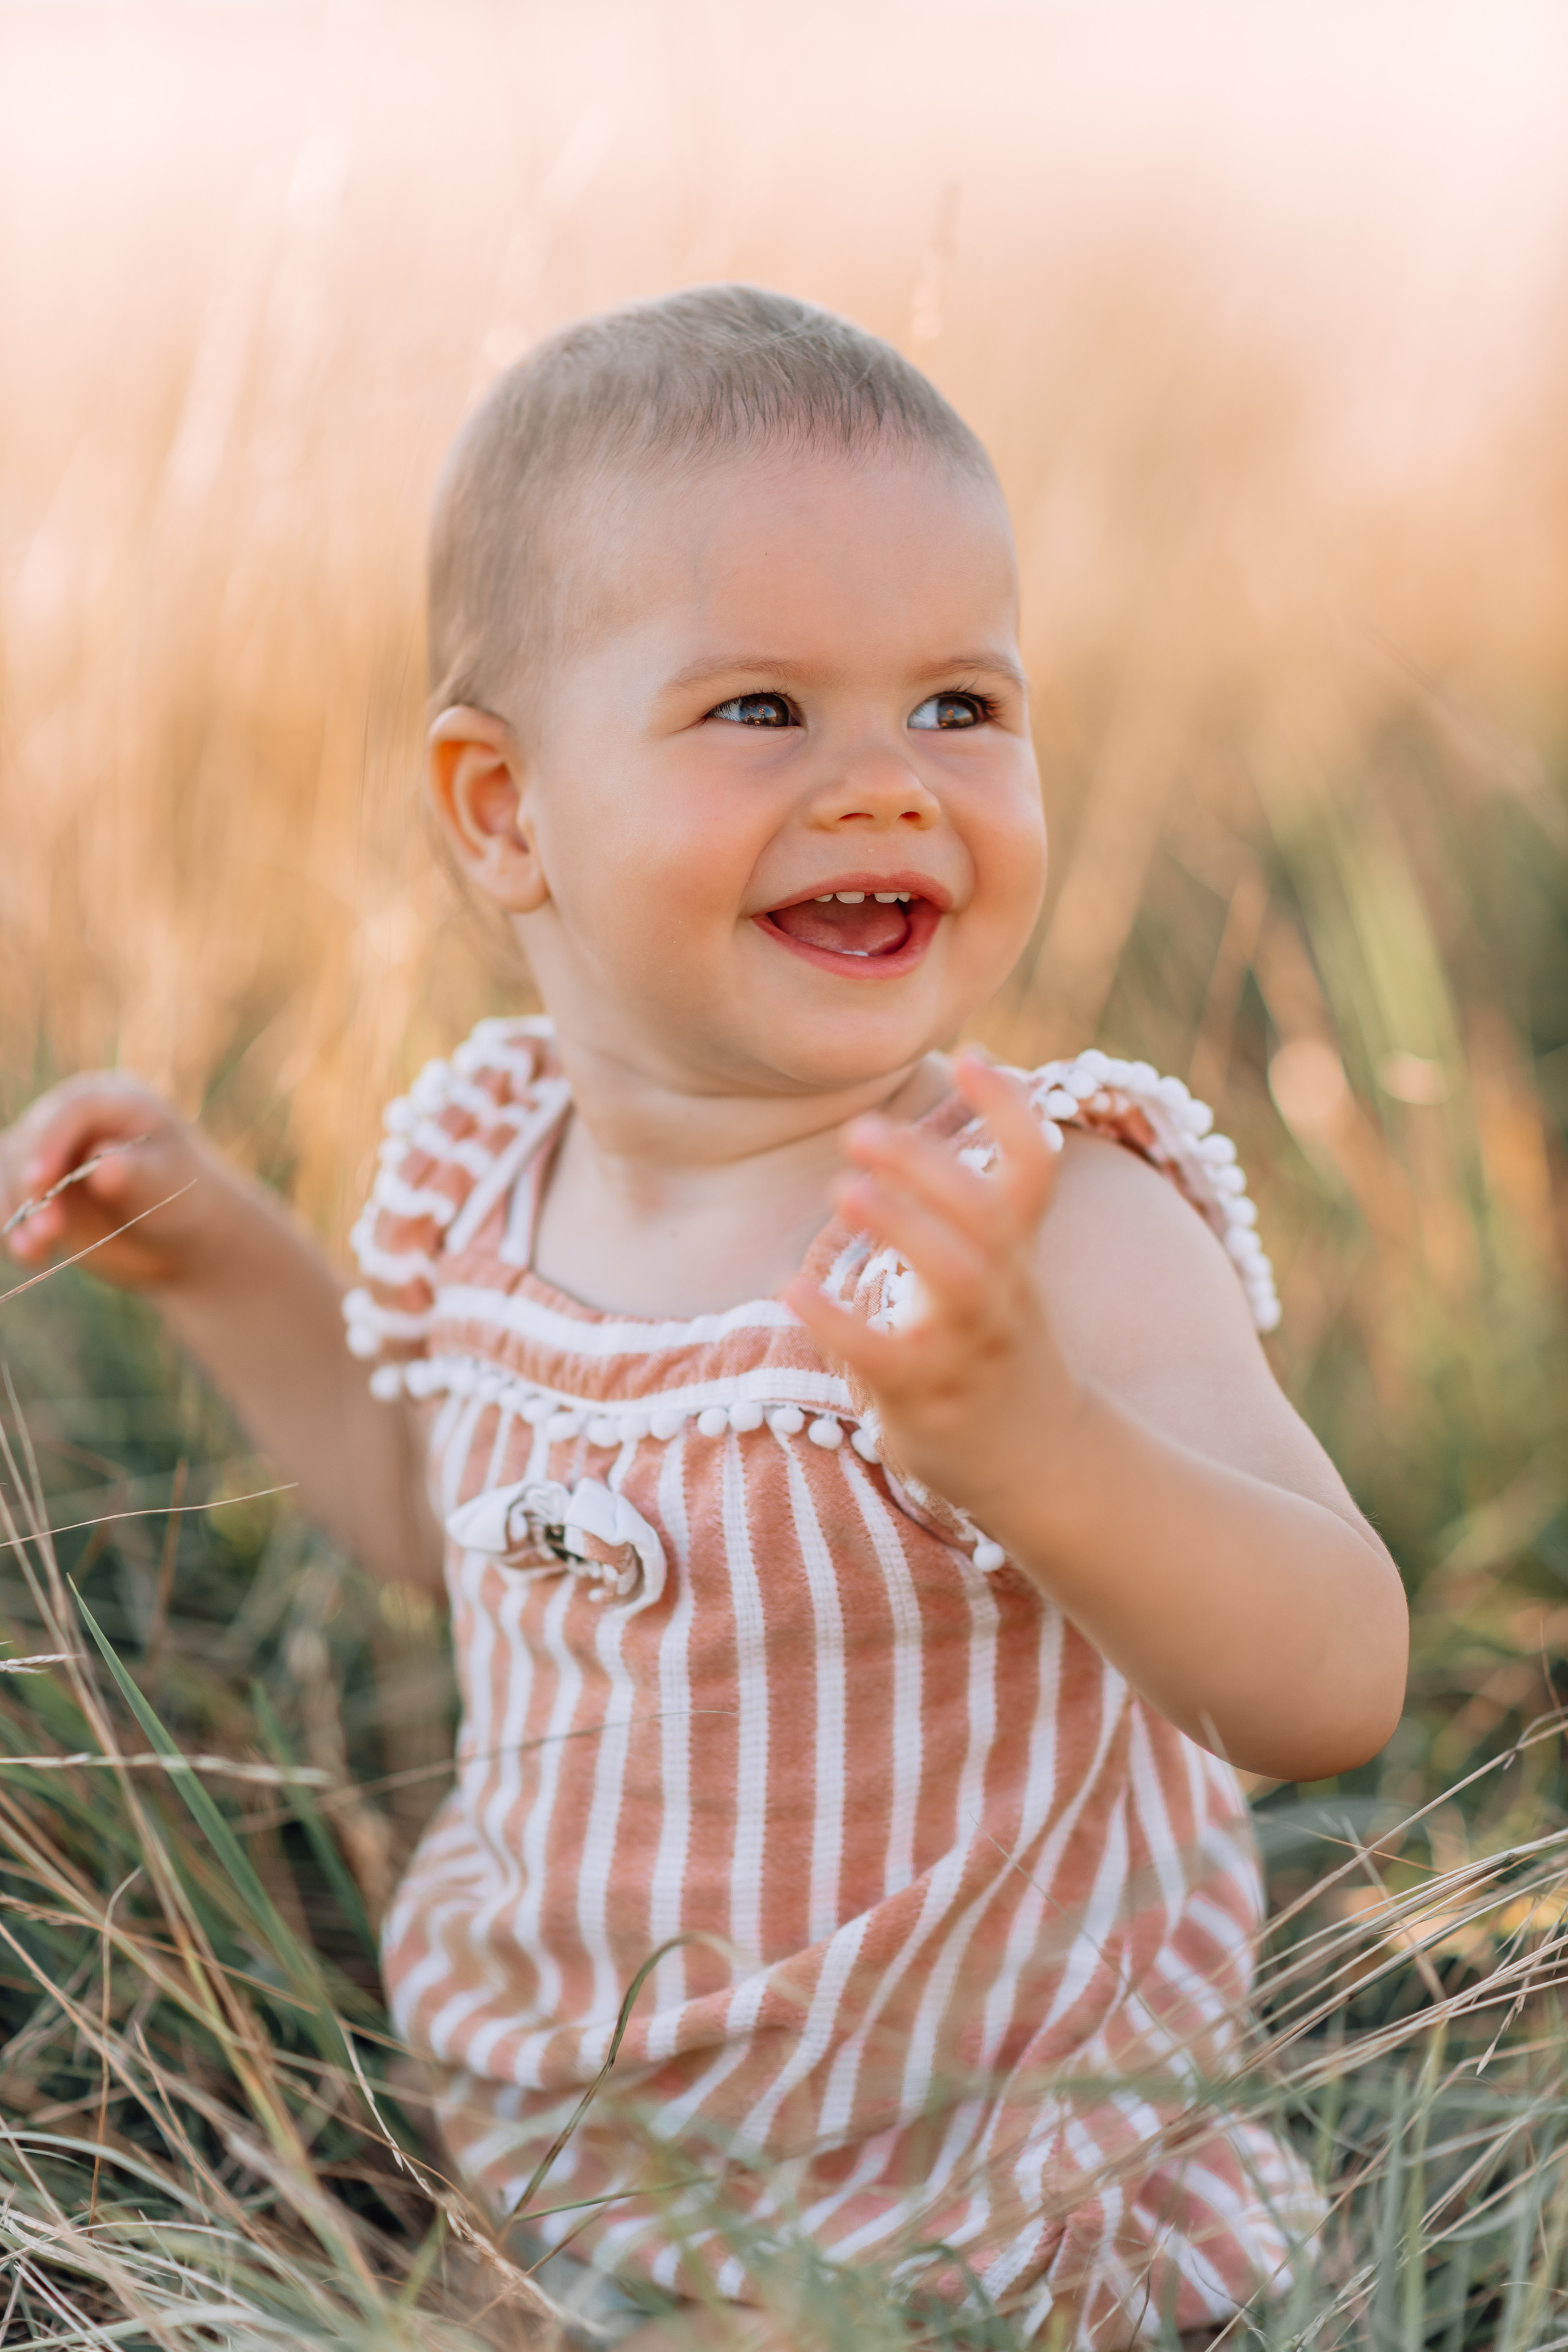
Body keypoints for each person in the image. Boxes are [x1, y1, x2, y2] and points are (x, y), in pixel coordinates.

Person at [0, 287, 1407, 2350]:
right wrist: (223, 1254)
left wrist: (1035, 1446)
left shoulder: (1049, 1212)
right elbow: (430, 1506)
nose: (886, 786)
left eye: (960, 705)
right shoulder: (494, 1166)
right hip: (582, 2165)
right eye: (764, 710)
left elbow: (1332, 1679)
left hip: (985, 2223)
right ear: (504, 809)